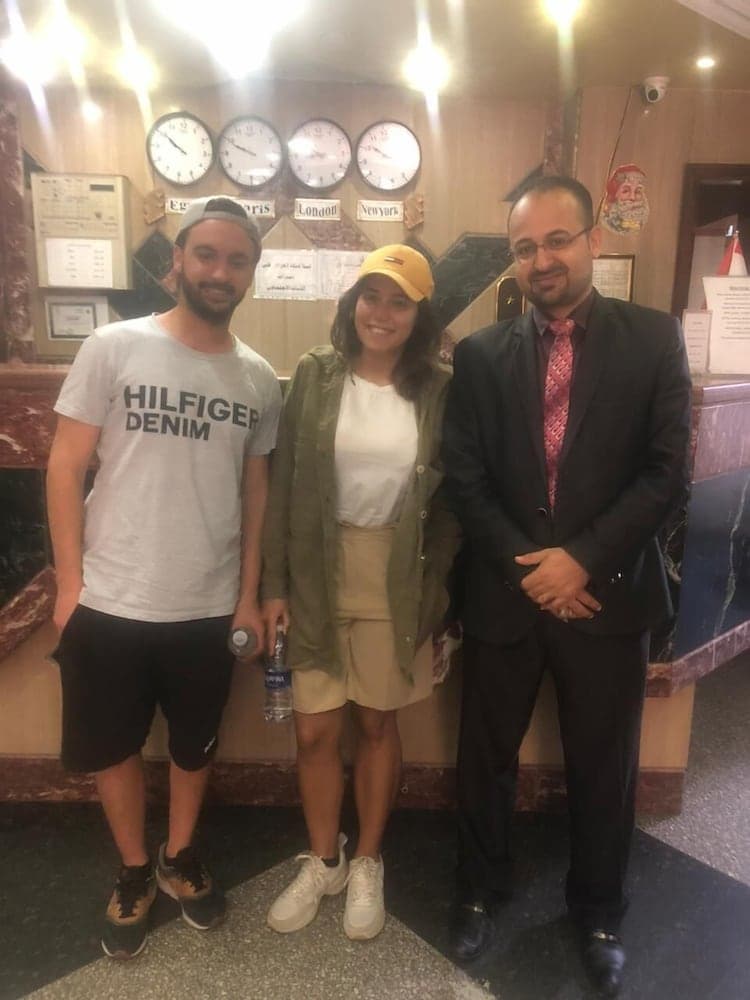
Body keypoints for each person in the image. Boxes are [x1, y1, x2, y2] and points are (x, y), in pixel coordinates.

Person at [442, 176, 691, 996]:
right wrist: (535, 569)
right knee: (485, 758)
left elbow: (664, 473)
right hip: (505, 594)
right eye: (525, 248)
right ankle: (478, 890)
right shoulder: (480, 356)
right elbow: (465, 477)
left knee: (605, 766)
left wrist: (581, 560)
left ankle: (599, 912)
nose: (541, 259)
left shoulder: (652, 339)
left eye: (556, 240)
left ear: (592, 240)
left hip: (607, 594)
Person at [47, 196, 281, 960]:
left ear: (251, 273)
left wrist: (247, 596)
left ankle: (180, 856)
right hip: (110, 599)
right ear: (177, 260)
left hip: (208, 606)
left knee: (192, 747)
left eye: (237, 260)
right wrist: (69, 588)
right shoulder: (114, 347)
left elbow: (256, 495)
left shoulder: (258, 379)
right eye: (206, 254)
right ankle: (133, 868)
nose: (220, 271)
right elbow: (65, 466)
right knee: (114, 745)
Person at [261, 245, 460, 941]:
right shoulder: (315, 374)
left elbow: (452, 504)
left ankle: (368, 858)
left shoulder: (440, 389)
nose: (381, 312)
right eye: (371, 296)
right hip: (316, 565)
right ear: (352, 305)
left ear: (420, 316)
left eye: (399, 301)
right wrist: (274, 585)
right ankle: (325, 860)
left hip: (395, 572)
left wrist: (436, 590)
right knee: (314, 728)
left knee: (376, 723)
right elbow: (283, 485)